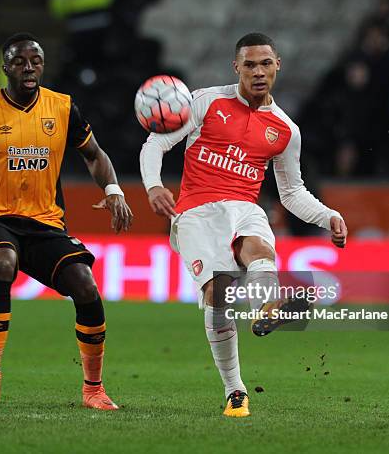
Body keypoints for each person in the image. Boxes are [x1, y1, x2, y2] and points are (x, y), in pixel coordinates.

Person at [139, 33, 347, 418]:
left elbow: (292, 192)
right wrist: (153, 186)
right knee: (218, 294)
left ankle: (267, 305)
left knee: (260, 251)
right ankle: (235, 389)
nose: (258, 72)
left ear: (277, 65)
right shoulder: (205, 101)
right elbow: (155, 145)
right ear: (236, 67)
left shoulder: (285, 130)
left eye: (265, 64)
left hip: (245, 206)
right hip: (196, 211)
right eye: (249, 65)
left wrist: (328, 216)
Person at [0, 32, 133, 410]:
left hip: (46, 223)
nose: (28, 67)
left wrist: (113, 189)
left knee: (85, 286)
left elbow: (94, 154)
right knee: (2, 264)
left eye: (35, 60)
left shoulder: (63, 108)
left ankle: (93, 389)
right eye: (19, 61)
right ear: (5, 68)